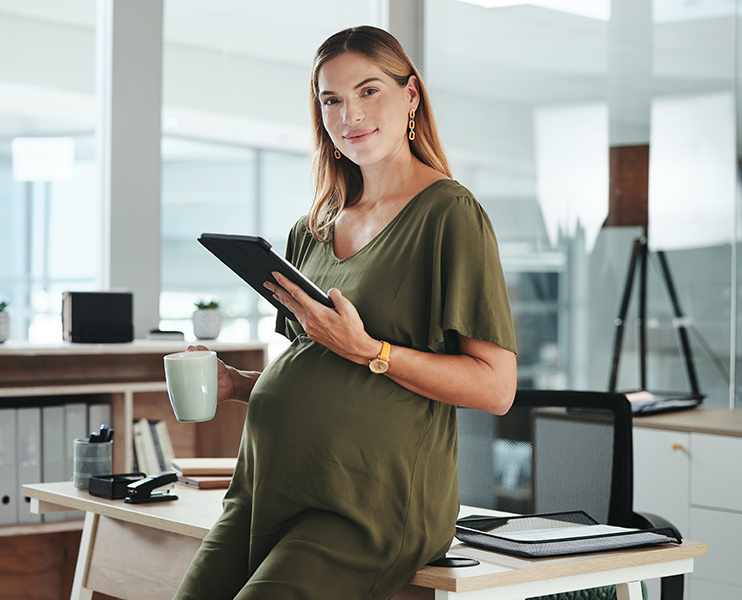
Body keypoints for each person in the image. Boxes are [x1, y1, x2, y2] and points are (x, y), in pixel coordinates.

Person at [174, 25, 517, 600]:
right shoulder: (313, 227)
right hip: (265, 488)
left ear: (410, 97)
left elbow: (496, 388)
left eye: (368, 91)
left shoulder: (449, 215)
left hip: (366, 504)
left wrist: (372, 350)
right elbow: (321, 366)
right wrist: (240, 386)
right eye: (331, 99)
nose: (349, 113)